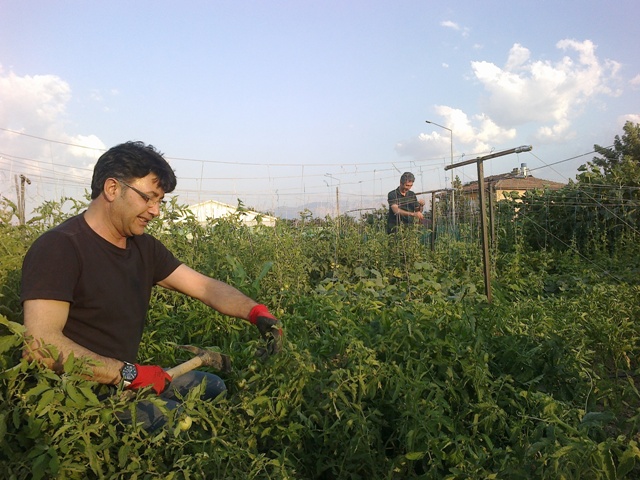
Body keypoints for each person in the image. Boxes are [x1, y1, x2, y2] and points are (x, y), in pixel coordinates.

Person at [20, 141, 283, 431]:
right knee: (171, 417)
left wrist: (256, 312)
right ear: (112, 189)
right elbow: (40, 345)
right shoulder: (60, 247)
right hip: (78, 395)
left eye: (160, 201)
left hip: (124, 381)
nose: (155, 211)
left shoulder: (144, 248)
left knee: (210, 387)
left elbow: (205, 287)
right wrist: (129, 373)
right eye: (148, 198)